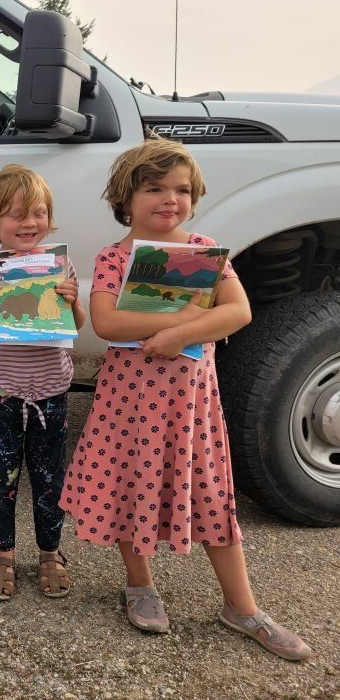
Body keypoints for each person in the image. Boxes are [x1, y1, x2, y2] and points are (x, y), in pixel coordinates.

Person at [59, 138, 311, 660]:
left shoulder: (204, 251)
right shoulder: (115, 257)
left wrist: (176, 335)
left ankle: (242, 606)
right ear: (125, 198)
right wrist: (185, 319)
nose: (169, 199)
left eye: (181, 189)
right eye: (154, 188)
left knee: (213, 496)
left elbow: (238, 311)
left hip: (192, 410)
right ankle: (139, 583)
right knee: (127, 486)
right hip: (129, 407)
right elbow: (106, 322)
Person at [0, 165, 86, 601]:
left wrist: (73, 303)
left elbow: (77, 326)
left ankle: (51, 552)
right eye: (16, 214)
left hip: (51, 392)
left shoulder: (60, 265)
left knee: (50, 479)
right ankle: (2, 554)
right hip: (1, 392)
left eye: (38, 212)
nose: (29, 223)